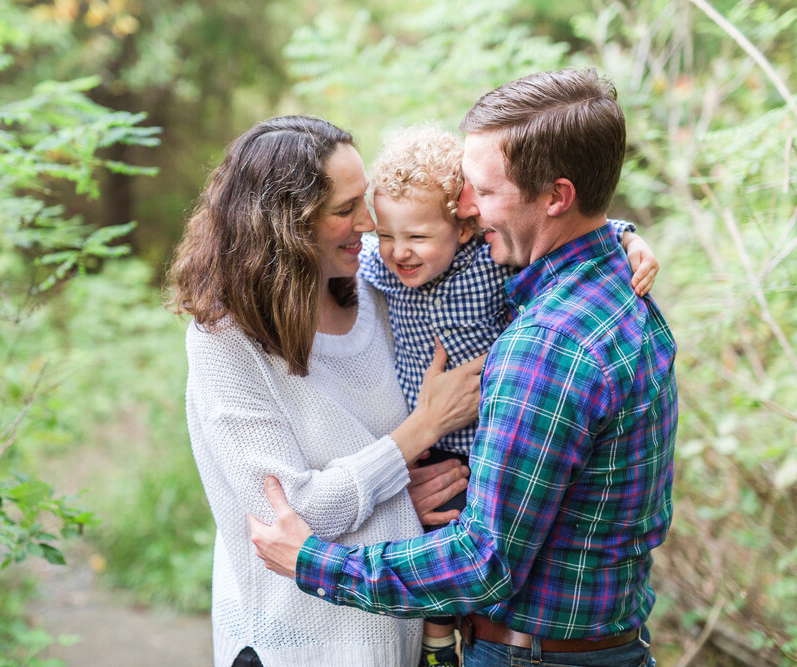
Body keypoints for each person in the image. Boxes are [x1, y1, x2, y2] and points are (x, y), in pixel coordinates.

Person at [250, 68, 678, 667]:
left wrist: (314, 561)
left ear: (556, 197)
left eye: (482, 189)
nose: (464, 207)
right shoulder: (616, 285)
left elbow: (484, 564)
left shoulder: (549, 346)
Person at [169, 115, 485, 667]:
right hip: (294, 645)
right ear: (286, 225)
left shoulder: (382, 284)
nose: (370, 221)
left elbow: (490, 235)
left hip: (399, 637)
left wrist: (618, 239)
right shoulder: (225, 340)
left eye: (365, 200)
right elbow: (289, 516)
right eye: (346, 210)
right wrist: (422, 429)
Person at [358, 124, 659, 667]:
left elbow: (568, 231)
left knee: (465, 528)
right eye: (387, 236)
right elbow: (338, 249)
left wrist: (624, 235)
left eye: (418, 238)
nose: (399, 251)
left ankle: (439, 642)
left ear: (464, 228)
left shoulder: (498, 273)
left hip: (485, 441)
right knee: (434, 517)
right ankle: (436, 639)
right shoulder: (379, 264)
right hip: (431, 437)